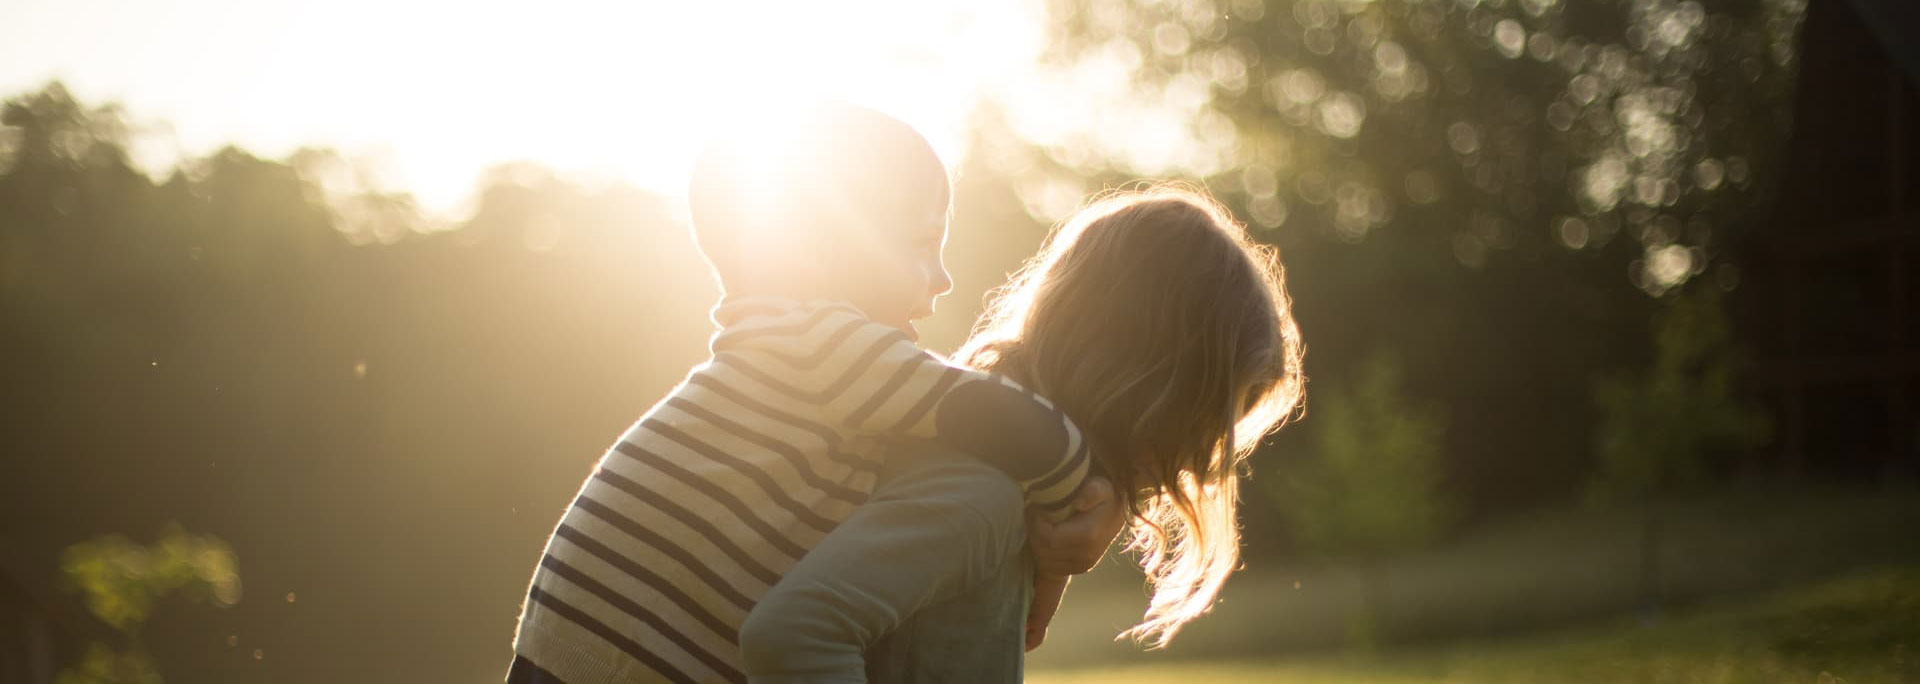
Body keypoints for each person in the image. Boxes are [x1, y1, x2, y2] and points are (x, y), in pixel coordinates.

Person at [505, 102, 1115, 684]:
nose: (944, 277)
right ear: (824, 248)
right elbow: (1005, 421)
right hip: (627, 657)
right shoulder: (824, 345)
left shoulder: (792, 347)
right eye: (923, 243)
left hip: (592, 647)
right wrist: (1088, 499)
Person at [739, 186, 1306, 681]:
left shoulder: (1008, 490)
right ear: (1142, 380)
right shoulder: (979, 497)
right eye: (1206, 423)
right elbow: (794, 633)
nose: (1201, 463)